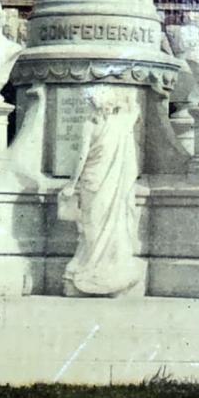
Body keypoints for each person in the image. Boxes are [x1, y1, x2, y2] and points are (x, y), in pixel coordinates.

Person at [61, 86, 142, 296]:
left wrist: (71, 183)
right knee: (110, 227)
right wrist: (129, 97)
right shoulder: (121, 124)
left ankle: (92, 272)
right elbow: (135, 111)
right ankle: (105, 273)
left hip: (92, 183)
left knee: (92, 227)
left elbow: (81, 157)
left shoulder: (89, 125)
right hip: (108, 183)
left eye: (89, 102)